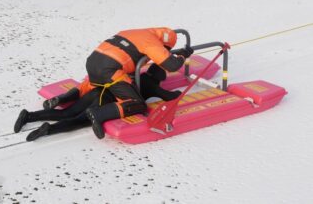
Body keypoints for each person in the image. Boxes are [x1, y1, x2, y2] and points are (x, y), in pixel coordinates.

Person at [14, 27, 193, 140]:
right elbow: (171, 65)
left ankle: (31, 116)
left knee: (72, 110)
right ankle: (96, 115)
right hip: (110, 76)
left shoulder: (135, 32)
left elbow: (129, 55)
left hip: (94, 65)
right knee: (137, 104)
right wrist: (184, 54)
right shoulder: (152, 45)